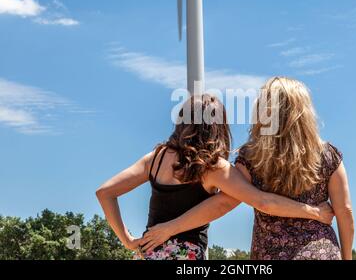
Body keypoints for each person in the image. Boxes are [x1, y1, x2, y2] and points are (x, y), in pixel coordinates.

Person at [96, 93, 334, 260]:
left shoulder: (156, 157)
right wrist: (313, 211)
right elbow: (262, 202)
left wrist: (127, 240)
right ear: (217, 126)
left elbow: (105, 192)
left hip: (149, 253)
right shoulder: (214, 168)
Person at [143, 77, 354, 260]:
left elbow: (225, 201)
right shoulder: (329, 155)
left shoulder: (252, 157)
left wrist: (171, 227)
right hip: (322, 251)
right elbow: (345, 212)